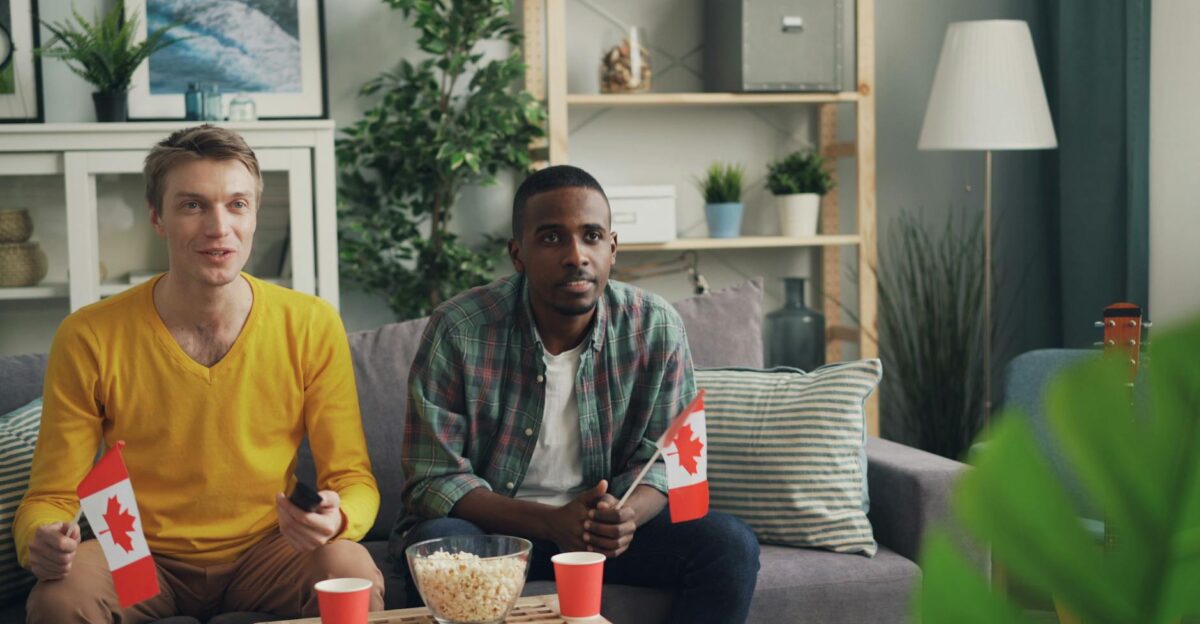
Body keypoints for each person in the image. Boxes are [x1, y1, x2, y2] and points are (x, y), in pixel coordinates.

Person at [15, 125, 384, 623]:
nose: (219, 227)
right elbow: (51, 496)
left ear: (253, 215)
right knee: (59, 597)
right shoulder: (89, 335)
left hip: (269, 552)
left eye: (237, 205)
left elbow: (353, 478)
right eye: (193, 205)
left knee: (349, 568)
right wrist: (40, 537)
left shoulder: (311, 323)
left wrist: (337, 517)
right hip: (138, 556)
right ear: (156, 217)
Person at [391, 165, 760, 623]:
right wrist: (548, 522)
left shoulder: (655, 327)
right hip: (498, 533)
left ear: (612, 247)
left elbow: (671, 461)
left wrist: (626, 516)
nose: (575, 255)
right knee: (441, 540)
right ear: (517, 253)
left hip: (603, 534)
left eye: (591, 236)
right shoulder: (460, 329)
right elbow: (433, 478)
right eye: (551, 238)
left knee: (728, 543)